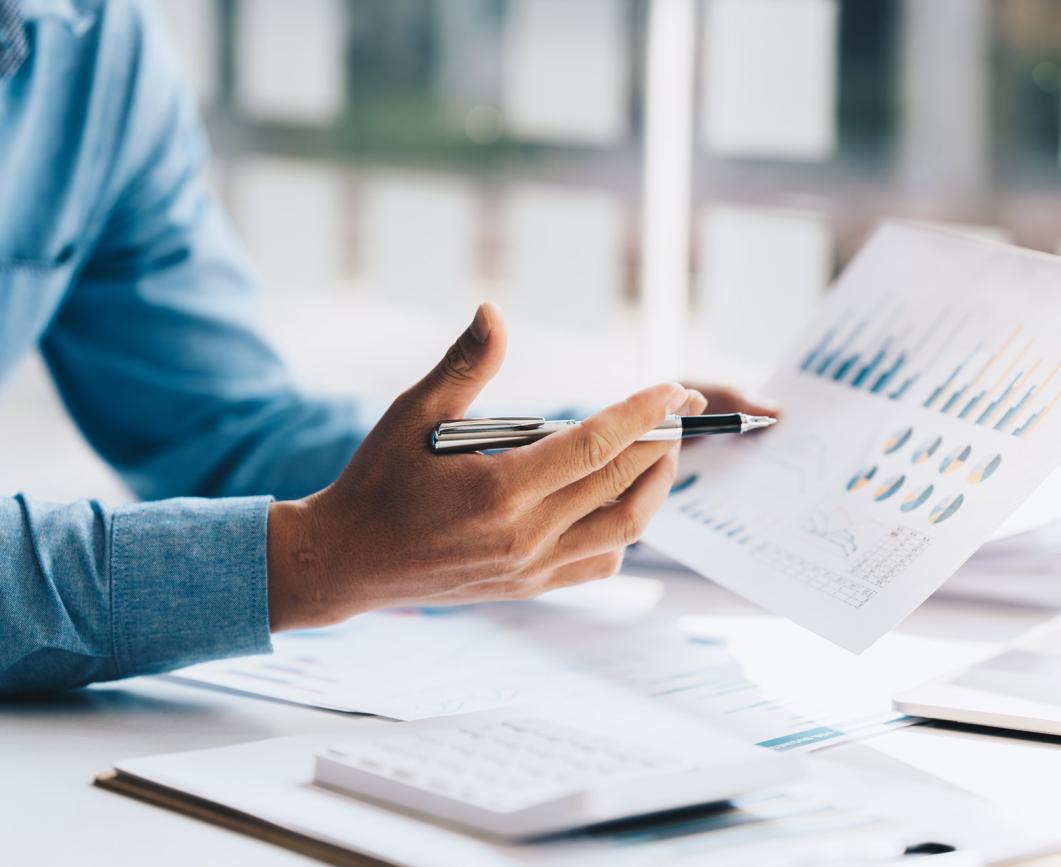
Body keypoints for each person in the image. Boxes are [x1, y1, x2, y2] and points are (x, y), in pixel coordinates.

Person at [0, 0, 774, 695]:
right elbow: (309, 525)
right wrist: (307, 562)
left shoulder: (97, 47)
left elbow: (222, 428)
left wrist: (578, 451)